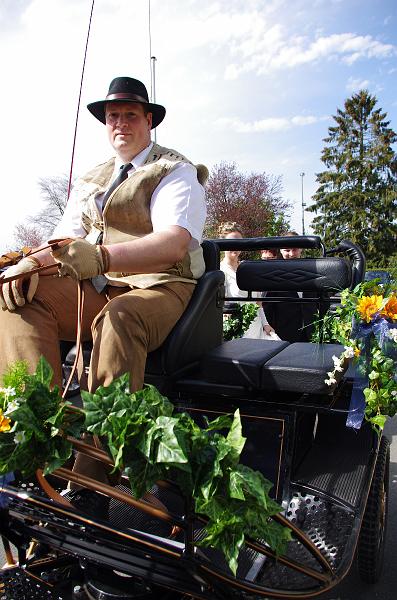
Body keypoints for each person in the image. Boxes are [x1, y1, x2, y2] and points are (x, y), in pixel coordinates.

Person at [0, 77, 207, 511]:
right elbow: (63, 240)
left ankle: (92, 479)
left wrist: (102, 257)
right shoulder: (93, 179)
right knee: (17, 295)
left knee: (117, 319)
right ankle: (39, 435)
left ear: (149, 121)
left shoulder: (175, 171)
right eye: (113, 116)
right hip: (102, 285)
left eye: (130, 114)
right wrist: (27, 263)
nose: (120, 123)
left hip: (162, 285)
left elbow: (173, 243)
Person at [219, 223, 277, 339]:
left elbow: (258, 303)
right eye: (231, 242)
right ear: (223, 243)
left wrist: (265, 324)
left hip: (258, 328)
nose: (235, 246)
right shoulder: (220, 271)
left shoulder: (248, 269)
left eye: (239, 242)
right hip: (237, 332)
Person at [262, 231, 317, 342]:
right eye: (287, 250)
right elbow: (267, 306)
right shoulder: (273, 275)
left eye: (295, 249)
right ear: (281, 250)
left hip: (311, 335)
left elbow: (321, 301)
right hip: (284, 336)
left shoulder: (313, 271)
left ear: (301, 249)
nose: (291, 254)